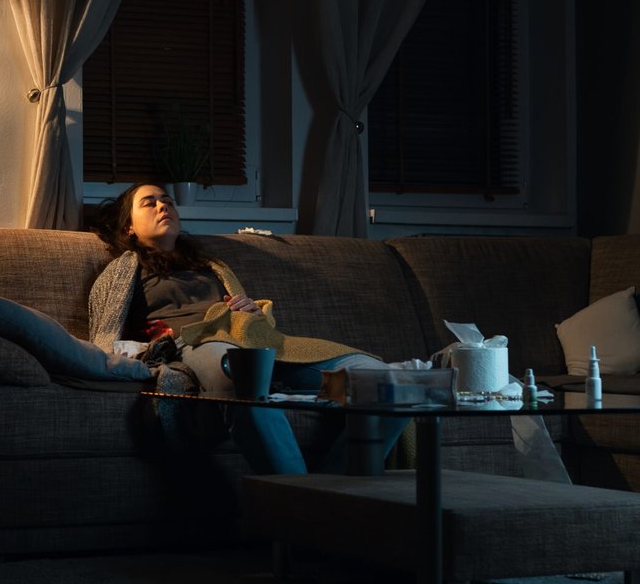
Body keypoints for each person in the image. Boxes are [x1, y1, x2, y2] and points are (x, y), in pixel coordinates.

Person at [88, 181, 420, 475]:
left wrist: (251, 311)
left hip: (256, 340)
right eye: (150, 202)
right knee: (246, 380)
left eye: (168, 201)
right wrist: (152, 347)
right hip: (199, 343)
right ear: (129, 227)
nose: (164, 206)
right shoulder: (123, 270)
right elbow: (106, 336)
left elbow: (248, 319)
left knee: (388, 383)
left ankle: (335, 494)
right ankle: (301, 505)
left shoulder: (211, 265)